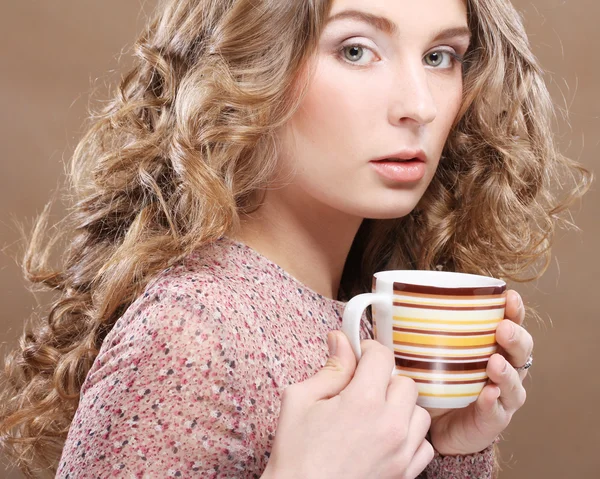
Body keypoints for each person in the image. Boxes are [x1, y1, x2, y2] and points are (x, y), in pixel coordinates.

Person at [0, 0, 590, 477]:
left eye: (441, 55)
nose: (418, 105)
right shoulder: (189, 335)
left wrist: (450, 448)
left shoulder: (370, 318)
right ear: (251, 65)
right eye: (356, 50)